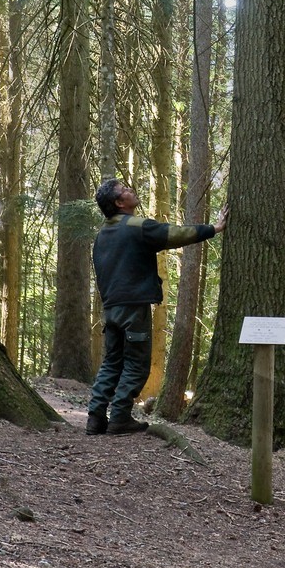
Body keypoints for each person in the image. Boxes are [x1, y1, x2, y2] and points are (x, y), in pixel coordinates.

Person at [86, 178, 225, 435]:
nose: (131, 190)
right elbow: (174, 234)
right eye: (125, 190)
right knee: (136, 363)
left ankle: (95, 418)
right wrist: (213, 229)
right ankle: (120, 418)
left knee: (112, 361)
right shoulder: (136, 227)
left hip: (111, 308)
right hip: (133, 307)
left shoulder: (102, 234)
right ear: (119, 203)